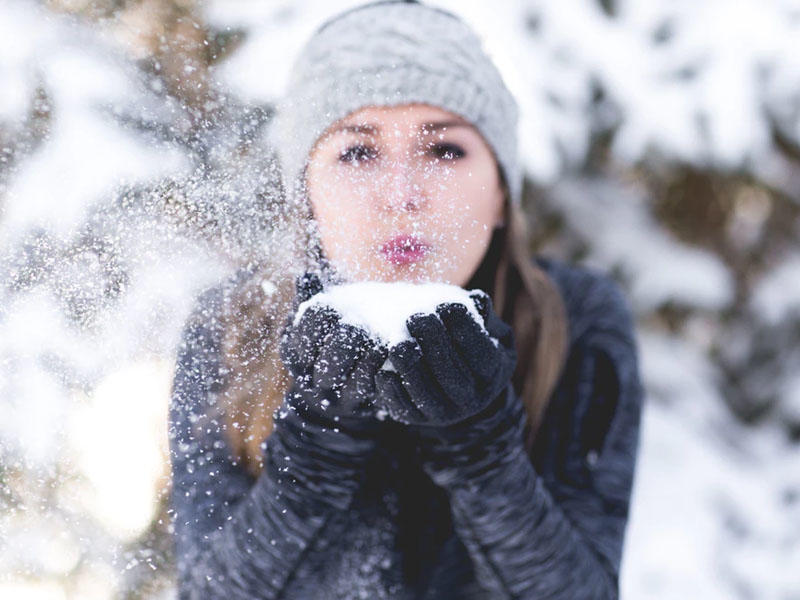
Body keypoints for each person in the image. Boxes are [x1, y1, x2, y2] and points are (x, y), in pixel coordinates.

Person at [167, 1, 643, 598]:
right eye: (358, 151)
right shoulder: (235, 327)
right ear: (306, 192)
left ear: (500, 192)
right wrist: (317, 443)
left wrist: (481, 450)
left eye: (444, 150)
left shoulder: (573, 324)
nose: (401, 195)